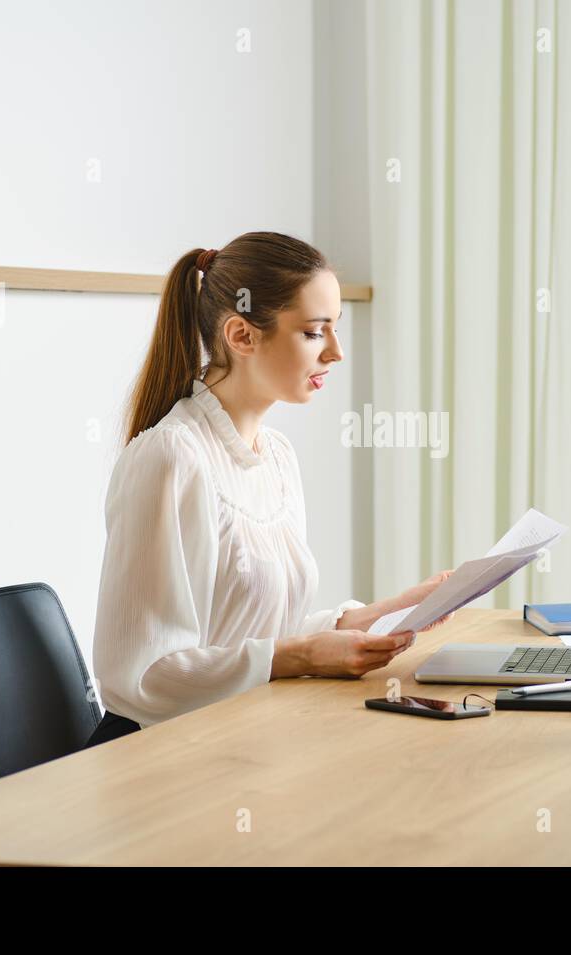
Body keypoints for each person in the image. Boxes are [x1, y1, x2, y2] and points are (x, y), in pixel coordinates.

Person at [86, 232, 452, 745]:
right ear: (241, 335)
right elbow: (145, 677)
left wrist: (388, 611)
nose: (336, 353)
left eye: (335, 330)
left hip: (246, 735)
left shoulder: (276, 455)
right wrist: (301, 656)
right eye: (313, 332)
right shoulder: (171, 456)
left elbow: (261, 628)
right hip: (159, 755)